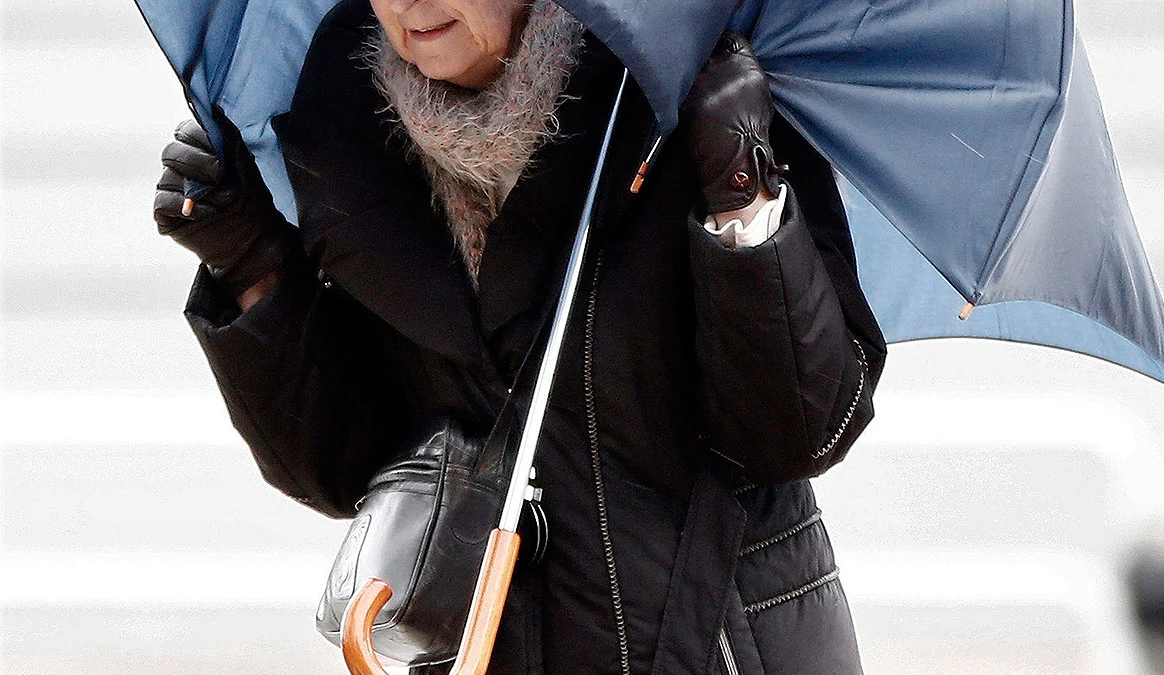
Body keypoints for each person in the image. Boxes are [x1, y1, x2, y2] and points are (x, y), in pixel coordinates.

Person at [153, 0, 887, 672]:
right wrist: (252, 265)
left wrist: (741, 195)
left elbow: (800, 429)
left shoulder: (686, 73)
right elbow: (345, 468)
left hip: (721, 648)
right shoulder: (348, 123)